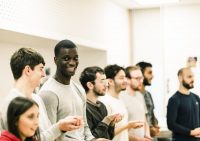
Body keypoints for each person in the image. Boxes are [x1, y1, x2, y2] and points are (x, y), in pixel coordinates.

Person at [0, 48, 81, 141]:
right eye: (41, 69)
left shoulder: (37, 98)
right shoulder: (10, 103)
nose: (44, 74)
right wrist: (58, 127)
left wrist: (61, 127)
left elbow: (46, 135)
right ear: (28, 70)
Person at [39, 39, 108, 141]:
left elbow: (84, 127)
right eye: (66, 58)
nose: (72, 62)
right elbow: (51, 135)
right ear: (55, 60)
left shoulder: (79, 89)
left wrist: (93, 140)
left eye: (75, 58)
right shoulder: (48, 93)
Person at [99, 64, 144, 141]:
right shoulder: (104, 102)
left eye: (125, 77)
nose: (126, 81)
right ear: (110, 81)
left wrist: (130, 126)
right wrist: (128, 126)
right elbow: (104, 134)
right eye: (121, 78)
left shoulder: (120, 100)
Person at [79, 66, 121, 139]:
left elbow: (109, 137)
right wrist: (106, 121)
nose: (106, 85)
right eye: (102, 81)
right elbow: (91, 138)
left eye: (106, 81)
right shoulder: (83, 107)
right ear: (90, 85)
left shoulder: (102, 106)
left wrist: (111, 123)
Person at [167, 67, 200, 141]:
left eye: (193, 76)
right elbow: (171, 124)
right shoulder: (174, 100)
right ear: (180, 78)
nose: (192, 79)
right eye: (189, 77)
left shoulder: (196, 97)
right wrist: (190, 132)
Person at [120, 66, 152, 141]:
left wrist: (147, 135)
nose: (141, 81)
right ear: (127, 80)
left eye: (141, 78)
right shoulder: (120, 97)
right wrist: (137, 139)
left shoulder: (140, 95)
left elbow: (144, 119)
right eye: (137, 78)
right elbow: (118, 129)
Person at [136, 62, 160, 138]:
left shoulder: (148, 94)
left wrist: (155, 125)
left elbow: (152, 114)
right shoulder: (133, 96)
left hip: (150, 137)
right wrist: (149, 128)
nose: (152, 76)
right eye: (149, 73)